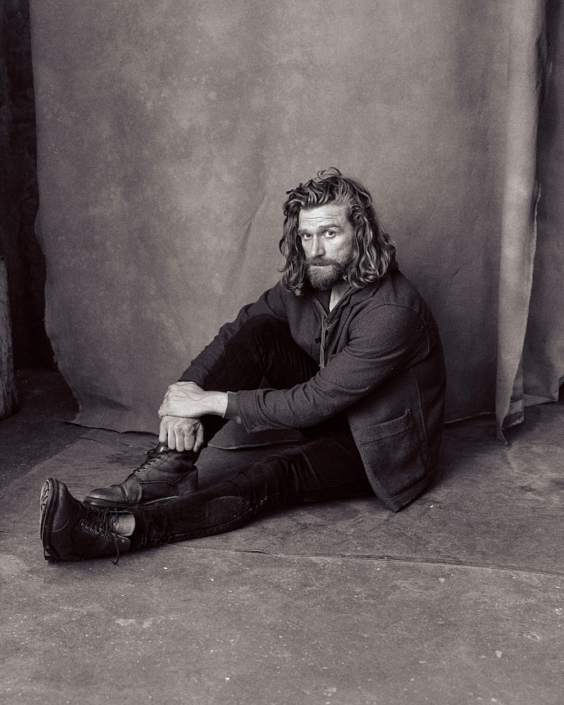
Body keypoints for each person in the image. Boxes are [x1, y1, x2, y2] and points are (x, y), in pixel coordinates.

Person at [40, 168, 446, 563]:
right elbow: (235, 334)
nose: (316, 250)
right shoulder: (309, 281)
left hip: (376, 448)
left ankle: (110, 533)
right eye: (307, 235)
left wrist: (209, 402)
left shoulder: (393, 311)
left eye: (330, 233)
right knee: (258, 333)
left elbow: (313, 403)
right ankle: (170, 468)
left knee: (271, 474)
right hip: (333, 409)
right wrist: (181, 397)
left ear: (361, 233)